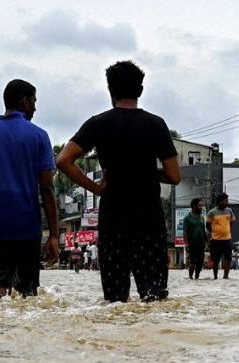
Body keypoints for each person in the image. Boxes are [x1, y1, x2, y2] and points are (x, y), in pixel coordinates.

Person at [57, 61, 180, 302]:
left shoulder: (98, 123)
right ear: (140, 90)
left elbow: (63, 160)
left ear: (110, 90)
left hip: (114, 219)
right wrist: (148, 173)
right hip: (148, 220)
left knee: (115, 301)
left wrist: (96, 188)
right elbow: (174, 176)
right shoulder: (156, 124)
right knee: (154, 297)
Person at [0, 78, 59, 298]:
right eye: (34, 101)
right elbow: (47, 189)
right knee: (27, 295)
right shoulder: (39, 136)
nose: (35, 108)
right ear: (25, 102)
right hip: (27, 227)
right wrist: (53, 235)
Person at [206, 193, 235, 279]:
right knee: (215, 259)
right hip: (215, 239)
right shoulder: (211, 212)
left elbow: (232, 221)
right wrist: (213, 232)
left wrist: (227, 230)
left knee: (228, 258)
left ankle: (225, 276)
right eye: (226, 201)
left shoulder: (229, 211)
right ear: (220, 202)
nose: (227, 202)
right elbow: (207, 225)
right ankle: (215, 276)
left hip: (227, 239)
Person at [182, 198, 207, 279]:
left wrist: (207, 242)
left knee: (200, 262)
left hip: (201, 243)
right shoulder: (187, 218)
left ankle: (197, 277)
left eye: (201, 206)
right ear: (194, 206)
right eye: (199, 206)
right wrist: (186, 244)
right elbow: (185, 232)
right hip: (192, 243)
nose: (201, 207)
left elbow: (203, 230)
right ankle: (190, 277)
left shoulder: (202, 218)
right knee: (192, 262)